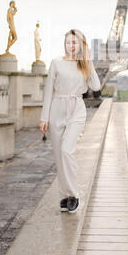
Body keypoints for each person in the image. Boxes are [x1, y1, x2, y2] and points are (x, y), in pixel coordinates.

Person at [39, 29, 101, 214]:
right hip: (57, 108)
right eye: (68, 42)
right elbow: (49, 91)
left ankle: (74, 195)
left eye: (75, 43)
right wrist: (44, 117)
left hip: (77, 109)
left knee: (67, 150)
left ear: (81, 45)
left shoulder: (84, 65)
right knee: (59, 156)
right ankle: (65, 196)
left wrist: (89, 62)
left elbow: (96, 87)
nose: (71, 46)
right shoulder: (56, 63)